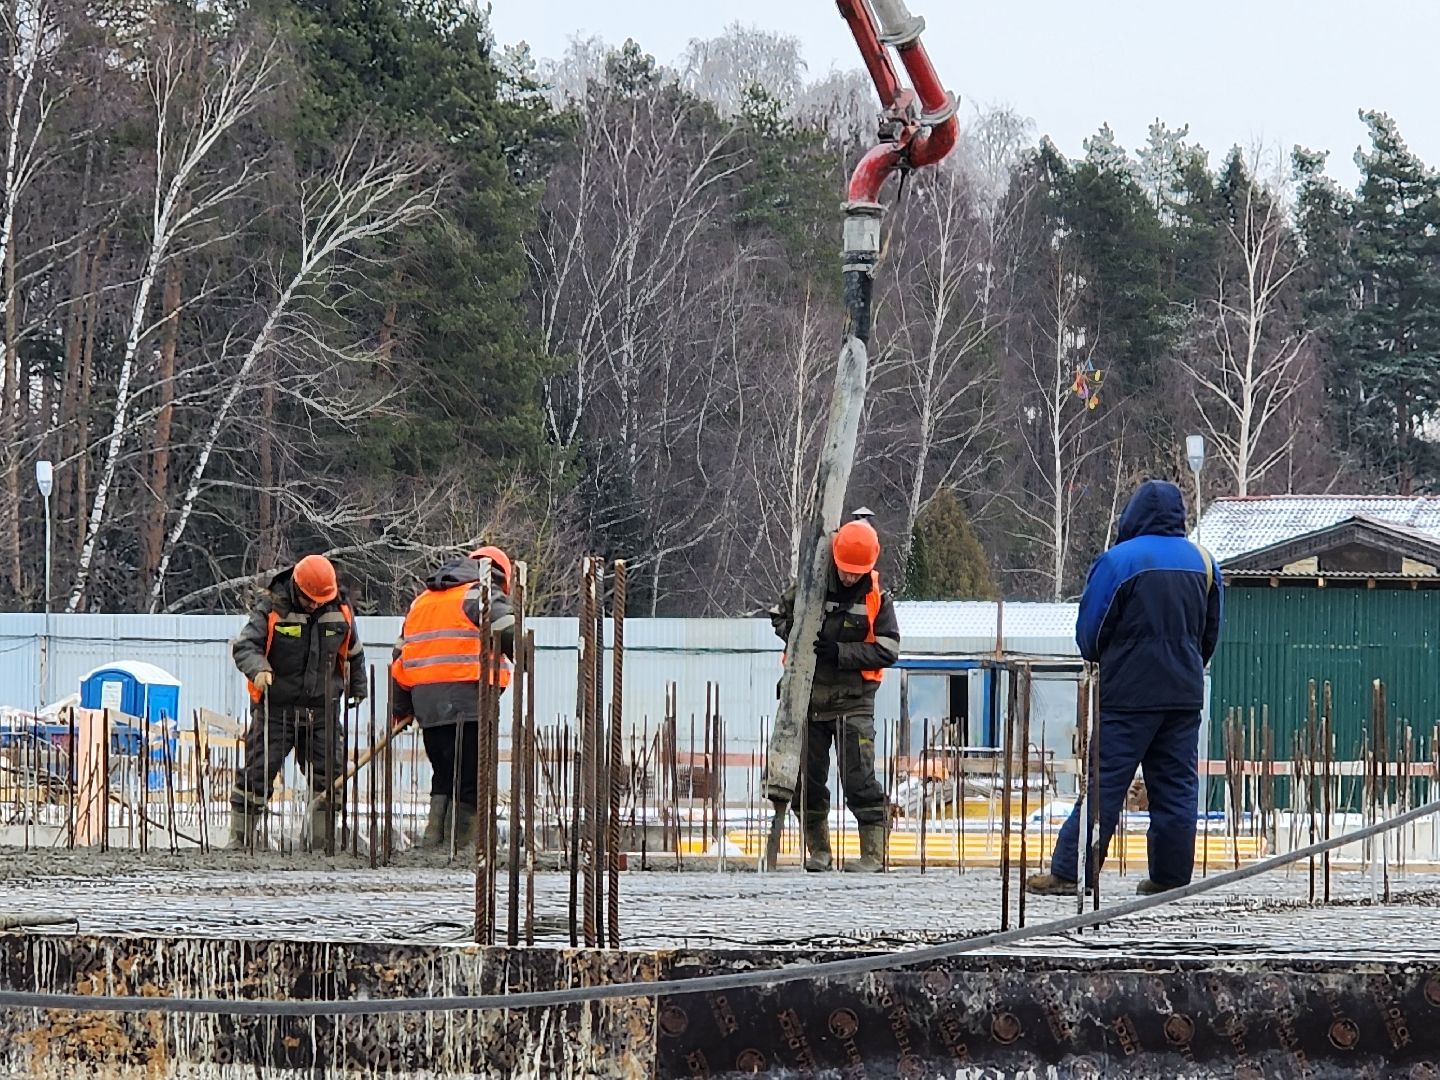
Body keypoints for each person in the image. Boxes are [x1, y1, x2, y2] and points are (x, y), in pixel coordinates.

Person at [1027, 479, 1222, 897]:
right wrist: (1187, 664)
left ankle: (1071, 871)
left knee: (1107, 784)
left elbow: (1091, 631)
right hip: (1183, 693)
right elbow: (1210, 633)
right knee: (1175, 786)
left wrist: (1104, 657)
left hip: (1129, 695)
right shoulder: (1204, 562)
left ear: (1133, 514)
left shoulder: (1118, 561)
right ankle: (1170, 877)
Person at [769, 520, 900, 873]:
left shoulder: (875, 597)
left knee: (858, 776)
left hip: (853, 700)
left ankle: (873, 853)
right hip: (810, 699)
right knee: (808, 779)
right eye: (844, 571)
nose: (848, 578)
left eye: (855, 573)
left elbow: (888, 650)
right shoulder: (809, 587)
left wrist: (840, 652)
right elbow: (778, 616)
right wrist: (797, 638)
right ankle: (819, 851)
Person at [230, 554, 367, 850]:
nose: (316, 605)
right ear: (297, 588)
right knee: (258, 771)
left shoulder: (340, 611)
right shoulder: (272, 607)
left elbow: (353, 652)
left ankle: (322, 841)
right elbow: (245, 647)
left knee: (330, 775)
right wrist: (259, 670)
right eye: (310, 601)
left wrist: (358, 685)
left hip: (322, 709)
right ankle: (240, 839)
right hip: (277, 708)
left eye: (321, 600)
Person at [391, 546, 515, 851]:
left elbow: (399, 658)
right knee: (471, 778)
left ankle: (433, 842)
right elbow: (510, 631)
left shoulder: (422, 601)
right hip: (469, 701)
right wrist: (524, 656)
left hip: (427, 705)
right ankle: (462, 847)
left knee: (443, 774)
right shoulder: (480, 593)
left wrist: (402, 708)